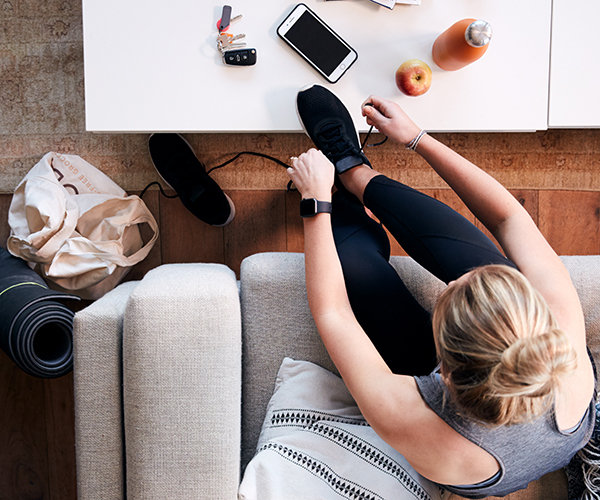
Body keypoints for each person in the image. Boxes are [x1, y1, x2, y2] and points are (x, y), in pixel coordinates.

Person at [286, 84, 596, 498]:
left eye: (451, 292)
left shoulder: (416, 421)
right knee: (450, 243)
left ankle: (340, 201)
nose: (452, 278)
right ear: (536, 314)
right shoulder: (562, 330)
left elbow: (333, 313)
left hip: (474, 436)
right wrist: (417, 137)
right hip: (509, 380)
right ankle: (353, 170)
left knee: (353, 265)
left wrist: (315, 203)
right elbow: (508, 217)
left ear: (442, 371)